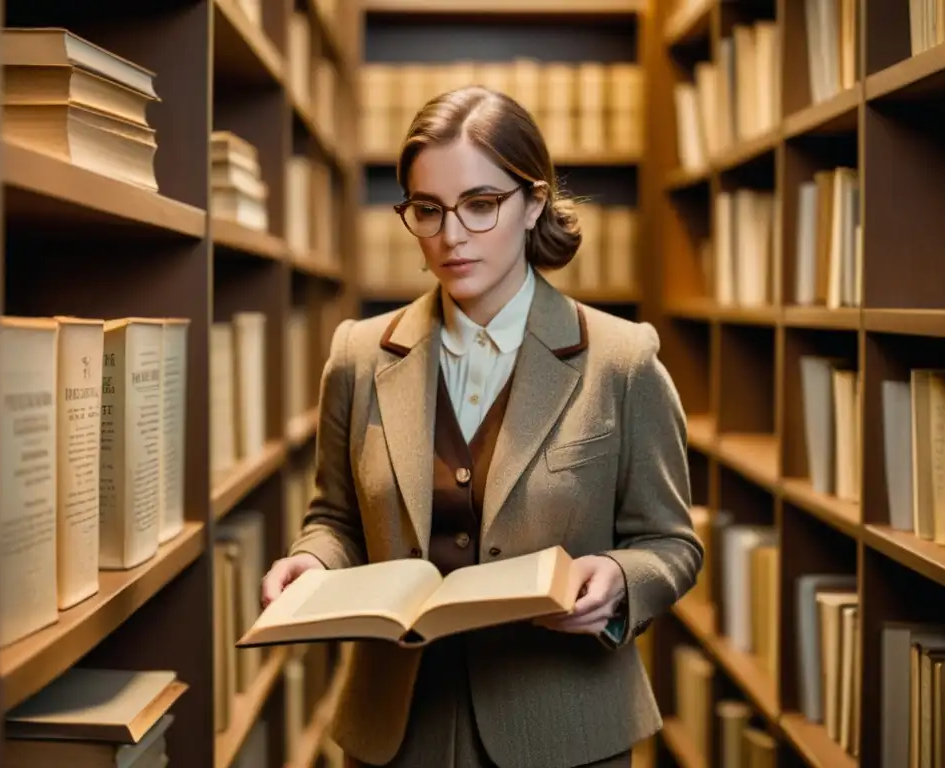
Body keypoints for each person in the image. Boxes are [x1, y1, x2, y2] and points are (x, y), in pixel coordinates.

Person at [261, 85, 703, 768]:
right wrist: (311, 562)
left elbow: (671, 543)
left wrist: (617, 579)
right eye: (427, 210)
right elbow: (336, 518)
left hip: (566, 730)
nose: (451, 235)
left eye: (480, 205)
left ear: (533, 203)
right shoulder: (357, 355)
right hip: (395, 731)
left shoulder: (623, 360)